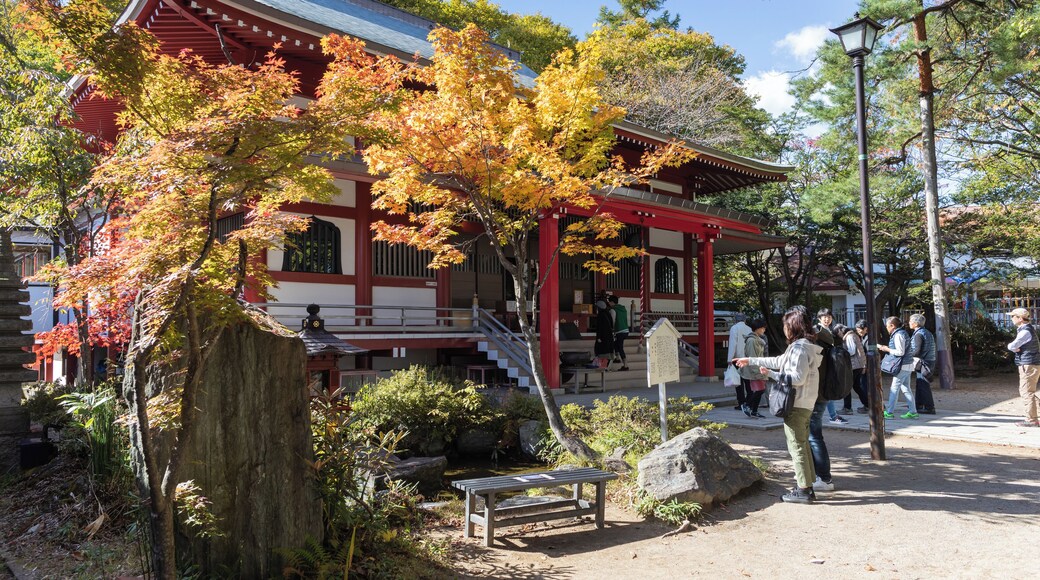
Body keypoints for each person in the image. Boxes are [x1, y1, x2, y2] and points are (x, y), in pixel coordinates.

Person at [734, 308, 823, 504]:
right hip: (804, 402)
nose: (783, 329)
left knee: (796, 446)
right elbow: (778, 361)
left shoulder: (799, 349)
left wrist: (771, 375)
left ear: (793, 326)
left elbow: (797, 378)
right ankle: (806, 484)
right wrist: (750, 360)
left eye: (785, 325)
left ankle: (804, 489)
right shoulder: (802, 346)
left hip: (796, 403)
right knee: (802, 443)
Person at [808, 307, 837, 490]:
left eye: (828, 316)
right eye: (823, 317)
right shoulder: (831, 340)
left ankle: (824, 478)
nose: (826, 319)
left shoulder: (816, 344)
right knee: (814, 436)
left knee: (814, 436)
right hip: (825, 391)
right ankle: (818, 475)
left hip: (816, 394)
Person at [878, 316, 918, 419]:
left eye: (887, 326)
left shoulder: (898, 335)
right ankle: (913, 412)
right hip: (908, 365)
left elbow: (900, 352)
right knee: (906, 389)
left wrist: (887, 349)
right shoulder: (902, 333)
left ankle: (889, 412)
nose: (886, 328)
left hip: (902, 366)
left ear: (892, 325)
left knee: (894, 389)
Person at [1006, 307, 1040, 427]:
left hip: (1028, 365)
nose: (1011, 319)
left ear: (1020, 318)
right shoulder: (1027, 329)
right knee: (1028, 391)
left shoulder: (1025, 332)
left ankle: (1032, 420)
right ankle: (1034, 416)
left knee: (1026, 392)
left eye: (1013, 316)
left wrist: (1012, 347)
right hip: (1031, 364)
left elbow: (1012, 346)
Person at [739, 318, 769, 418]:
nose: (764, 330)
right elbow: (752, 358)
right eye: (763, 328)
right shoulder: (752, 340)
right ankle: (747, 405)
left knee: (759, 390)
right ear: (757, 328)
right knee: (759, 390)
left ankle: (753, 410)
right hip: (753, 370)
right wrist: (757, 371)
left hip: (756, 368)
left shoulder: (757, 339)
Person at [908, 314, 937, 414]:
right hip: (929, 360)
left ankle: (929, 407)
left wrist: (906, 355)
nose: (909, 323)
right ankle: (919, 405)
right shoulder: (927, 332)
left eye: (910, 321)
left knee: (923, 384)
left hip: (923, 362)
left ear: (916, 323)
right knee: (921, 383)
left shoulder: (918, 334)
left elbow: (917, 351)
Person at [726, 314, 753, 411]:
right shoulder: (749, 329)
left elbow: (733, 344)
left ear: (735, 320)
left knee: (738, 382)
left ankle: (741, 402)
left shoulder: (734, 328)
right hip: (748, 358)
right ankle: (750, 401)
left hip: (737, 358)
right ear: (745, 320)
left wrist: (729, 359)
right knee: (748, 381)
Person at [607, 295, 630, 371]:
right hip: (625, 330)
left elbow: (613, 320)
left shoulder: (613, 310)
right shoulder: (623, 309)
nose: (608, 303)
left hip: (619, 330)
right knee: (615, 344)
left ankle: (625, 365)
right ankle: (617, 358)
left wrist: (612, 329)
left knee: (620, 347)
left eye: (609, 301)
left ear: (612, 302)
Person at [853, 320, 872, 412]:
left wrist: (865, 366)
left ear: (866, 329)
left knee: (866, 387)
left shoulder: (868, 339)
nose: (858, 331)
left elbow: (869, 354)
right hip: (866, 366)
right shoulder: (864, 338)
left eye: (860, 329)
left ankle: (869, 406)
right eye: (857, 329)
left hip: (868, 367)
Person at [593, 300, 616, 369]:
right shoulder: (608, 314)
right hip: (609, 336)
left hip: (603, 337)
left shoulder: (601, 315)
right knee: (607, 352)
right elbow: (612, 325)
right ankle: (606, 367)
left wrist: (599, 337)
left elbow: (600, 327)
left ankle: (602, 367)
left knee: (601, 352)